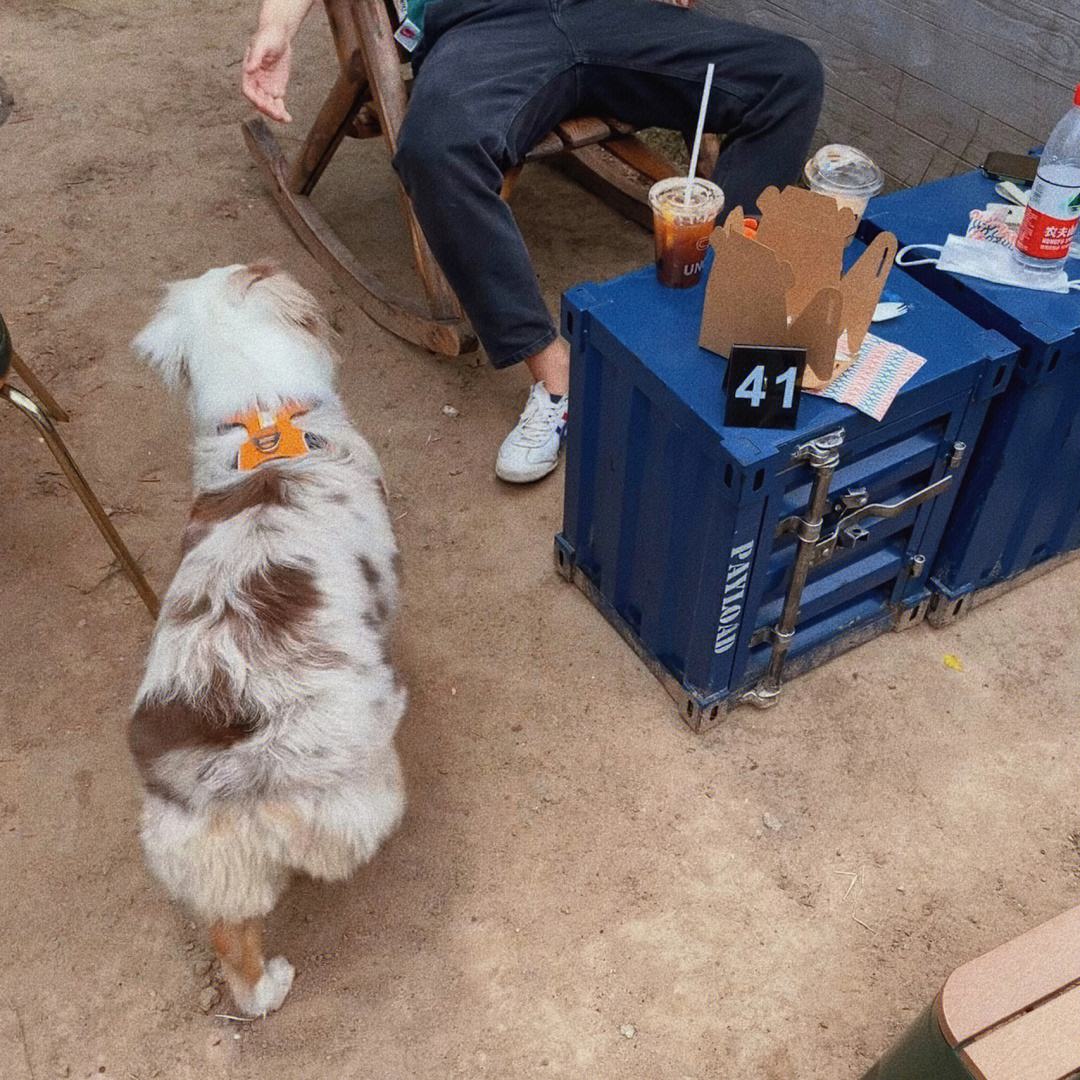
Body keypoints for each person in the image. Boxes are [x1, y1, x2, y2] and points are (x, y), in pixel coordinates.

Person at [243, 0, 824, 483]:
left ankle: (729, 297)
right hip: (485, 26)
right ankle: (555, 377)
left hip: (607, 14)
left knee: (788, 75)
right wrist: (275, 28)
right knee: (434, 149)